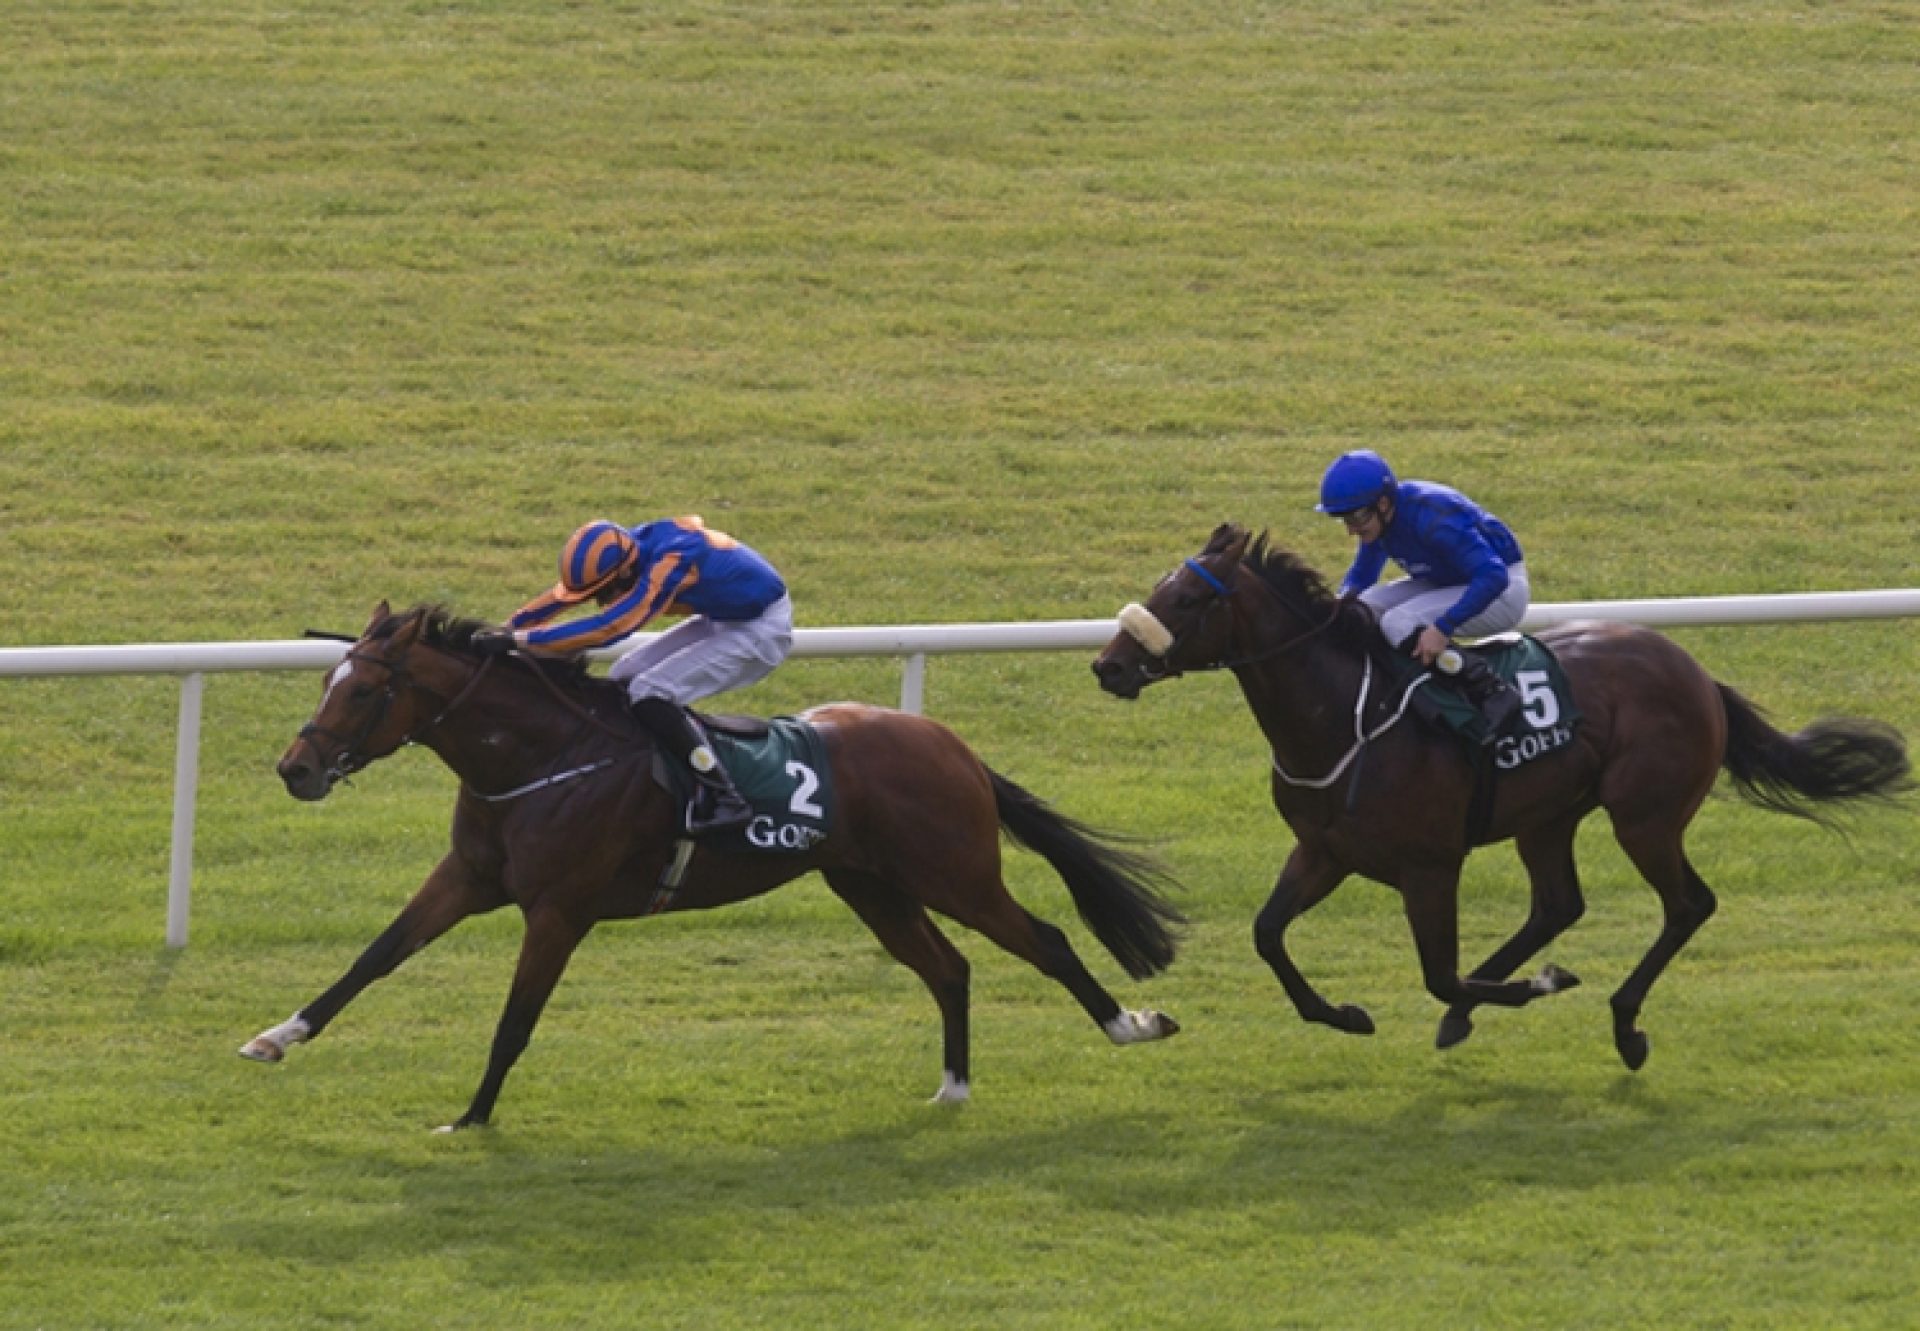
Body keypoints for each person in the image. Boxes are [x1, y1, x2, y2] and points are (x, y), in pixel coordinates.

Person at [473, 516, 793, 835]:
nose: (602, 600)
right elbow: (560, 599)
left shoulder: (670, 561)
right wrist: (505, 629)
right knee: (623, 674)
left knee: (650, 691)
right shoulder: (628, 553)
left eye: (606, 591)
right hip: (725, 617)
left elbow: (611, 627)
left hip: (761, 628)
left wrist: (521, 641)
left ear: (625, 571)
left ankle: (725, 795)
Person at [1315, 450, 1527, 737]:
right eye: (1344, 519)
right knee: (1362, 608)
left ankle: (1491, 688)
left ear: (1384, 503)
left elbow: (1492, 576)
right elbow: (1362, 577)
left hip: (1500, 590)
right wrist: (1336, 610)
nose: (1352, 530)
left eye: (1356, 517)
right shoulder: (1382, 522)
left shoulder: (1432, 518)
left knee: (1398, 622)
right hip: (1447, 580)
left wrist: (1443, 627)